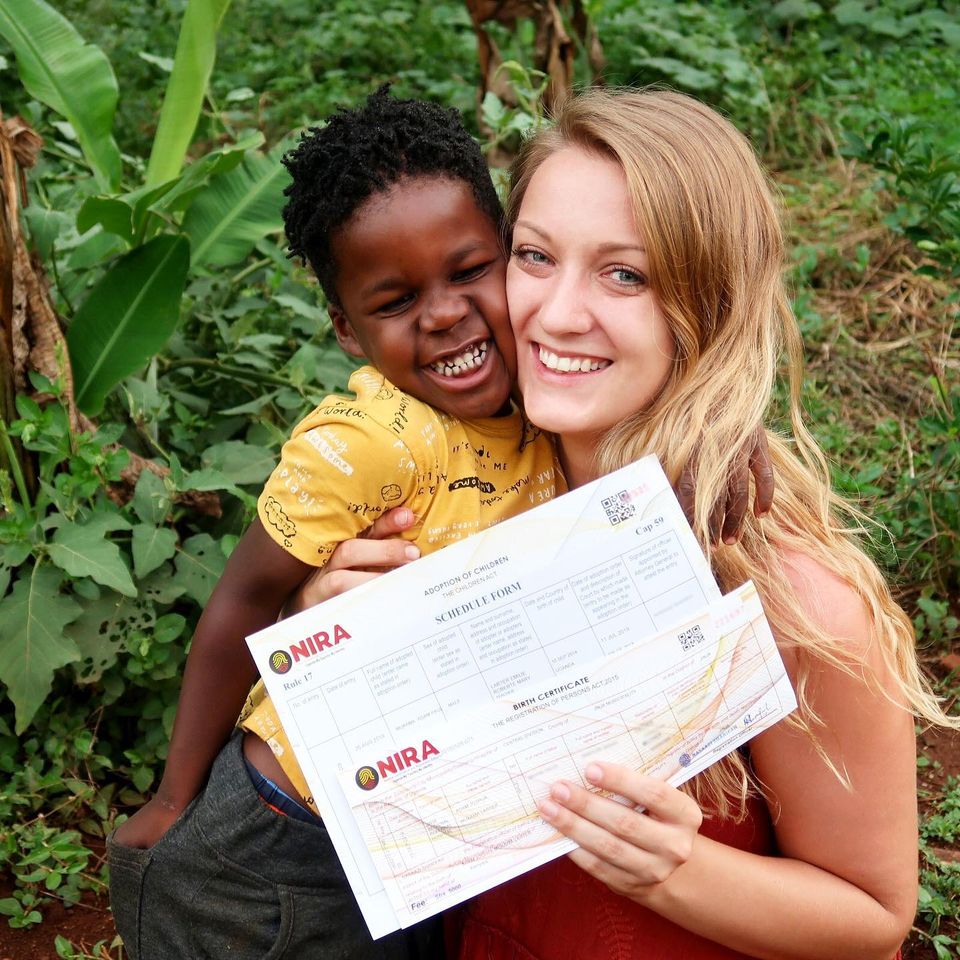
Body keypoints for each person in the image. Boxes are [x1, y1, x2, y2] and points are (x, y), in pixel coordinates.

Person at [107, 86, 766, 960]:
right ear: (345, 329)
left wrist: (726, 428)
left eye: (470, 271)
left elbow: (648, 387)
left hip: (424, 835)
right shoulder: (369, 443)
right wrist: (170, 793)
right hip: (283, 839)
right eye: (394, 300)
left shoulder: (538, 399)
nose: (447, 312)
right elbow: (240, 602)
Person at [304, 88, 956, 960]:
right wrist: (331, 614)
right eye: (534, 256)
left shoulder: (793, 600)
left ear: (709, 304)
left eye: (625, 274)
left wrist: (674, 866)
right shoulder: (456, 504)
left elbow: (875, 920)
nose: (558, 312)